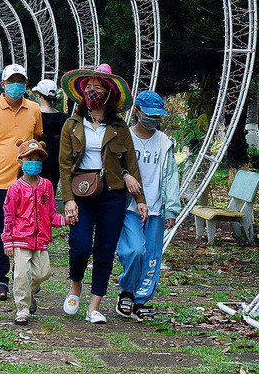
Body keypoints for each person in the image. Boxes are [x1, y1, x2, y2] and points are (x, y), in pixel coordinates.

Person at [59, 64, 147, 324]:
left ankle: (95, 306)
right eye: (88, 87)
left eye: (98, 88)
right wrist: (69, 200)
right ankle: (76, 285)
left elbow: (131, 164)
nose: (92, 92)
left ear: (108, 95)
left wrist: (140, 200)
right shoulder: (72, 125)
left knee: (105, 249)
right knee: (80, 245)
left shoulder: (120, 128)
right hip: (82, 190)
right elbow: (64, 166)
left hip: (113, 193)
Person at [0, 64, 43, 302]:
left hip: (27, 182)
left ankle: (25, 275)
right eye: (12, 81)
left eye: (21, 81)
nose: (17, 85)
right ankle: (0, 279)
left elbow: (37, 140)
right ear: (2, 85)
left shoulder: (34, 109)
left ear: (26, 84)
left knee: (28, 229)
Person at [116, 90, 181, 320]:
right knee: (134, 250)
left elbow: (172, 176)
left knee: (152, 256)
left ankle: (140, 300)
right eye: (149, 113)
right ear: (137, 111)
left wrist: (172, 208)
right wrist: (125, 175)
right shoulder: (125, 136)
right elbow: (114, 165)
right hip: (130, 207)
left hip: (157, 208)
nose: (153, 118)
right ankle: (127, 289)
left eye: (157, 115)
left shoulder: (164, 142)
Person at [2, 139, 66, 326]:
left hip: (41, 240)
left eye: (38, 158)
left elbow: (51, 213)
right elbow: (8, 215)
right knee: (21, 274)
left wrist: (64, 221)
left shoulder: (46, 186)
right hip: (21, 239)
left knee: (43, 273)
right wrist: (7, 240)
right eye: (29, 158)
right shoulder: (15, 188)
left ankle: (28, 294)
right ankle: (22, 309)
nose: (34, 162)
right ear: (20, 162)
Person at [33, 79, 67, 195]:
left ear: (39, 96)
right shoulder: (64, 118)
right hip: (55, 163)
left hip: (34, 161)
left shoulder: (33, 116)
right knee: (48, 194)